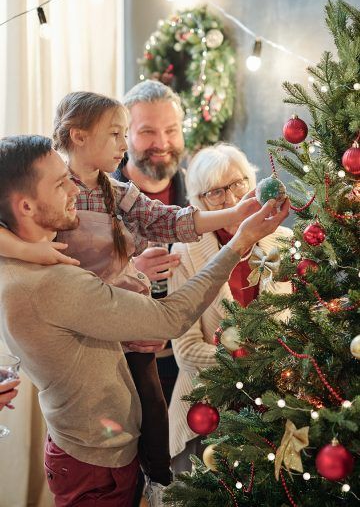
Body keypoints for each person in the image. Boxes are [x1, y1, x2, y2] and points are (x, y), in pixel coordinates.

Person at [0, 134, 289, 506]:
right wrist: (238, 244)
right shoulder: (53, 282)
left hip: (91, 446)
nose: (74, 190)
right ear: (24, 206)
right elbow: (169, 319)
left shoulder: (25, 256)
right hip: (96, 460)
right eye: (60, 184)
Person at [168, 143, 292, 475]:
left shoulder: (284, 241)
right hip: (209, 410)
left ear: (252, 182)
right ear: (198, 202)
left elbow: (297, 322)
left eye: (237, 184)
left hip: (276, 403)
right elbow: (185, 350)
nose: (231, 199)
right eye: (215, 193)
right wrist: (247, 360)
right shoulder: (185, 253)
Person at [112, 80, 187, 411]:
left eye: (171, 130)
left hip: (193, 365)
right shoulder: (95, 199)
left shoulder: (205, 196)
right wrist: (129, 274)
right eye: (147, 132)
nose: (162, 143)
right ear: (125, 136)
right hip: (121, 370)